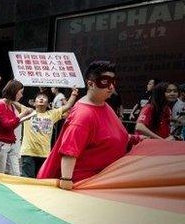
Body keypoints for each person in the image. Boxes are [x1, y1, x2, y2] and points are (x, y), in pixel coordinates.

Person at [38, 61, 143, 189]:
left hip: (105, 182)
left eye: (113, 82)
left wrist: (140, 140)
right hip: (85, 186)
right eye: (105, 82)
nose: (111, 87)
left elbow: (116, 135)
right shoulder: (83, 115)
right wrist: (66, 180)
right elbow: (69, 152)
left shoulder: (105, 106)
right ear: (90, 84)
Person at [20, 88, 78, 178]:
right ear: (34, 103)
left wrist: (74, 93)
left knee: (41, 180)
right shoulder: (28, 112)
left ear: (47, 104)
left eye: (44, 98)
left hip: (44, 154)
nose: (42, 99)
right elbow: (12, 100)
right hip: (28, 153)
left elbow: (68, 105)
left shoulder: (52, 114)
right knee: (27, 180)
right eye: (39, 97)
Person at [0, 80, 34, 175]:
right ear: (14, 92)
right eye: (20, 93)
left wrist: (23, 118)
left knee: (15, 173)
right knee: (0, 173)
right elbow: (7, 125)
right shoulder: (1, 104)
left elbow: (11, 125)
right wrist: (23, 114)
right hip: (0, 143)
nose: (21, 96)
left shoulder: (10, 105)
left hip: (9, 142)